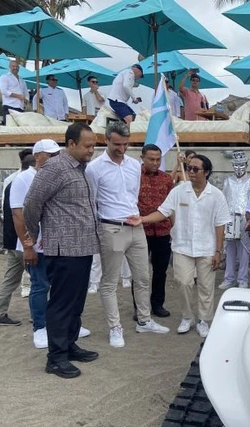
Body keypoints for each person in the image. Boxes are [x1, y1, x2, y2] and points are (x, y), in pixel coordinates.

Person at [23, 122, 100, 379]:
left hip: (84, 246)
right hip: (64, 248)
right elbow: (31, 203)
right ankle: (55, 358)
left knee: (76, 302)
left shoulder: (82, 169)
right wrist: (33, 235)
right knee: (61, 304)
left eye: (94, 146)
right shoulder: (54, 168)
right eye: (87, 146)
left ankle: (69, 345)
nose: (91, 150)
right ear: (71, 144)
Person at [86, 122, 169, 348]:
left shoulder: (133, 166)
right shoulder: (94, 168)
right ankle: (115, 327)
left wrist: (138, 219)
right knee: (109, 282)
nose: (121, 149)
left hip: (136, 226)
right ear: (106, 140)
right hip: (110, 227)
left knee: (142, 277)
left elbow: (132, 195)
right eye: (117, 144)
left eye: (125, 144)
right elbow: (92, 201)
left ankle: (144, 320)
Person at [128, 155, 230, 338]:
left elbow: (220, 224)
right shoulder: (179, 191)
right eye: (189, 168)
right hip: (182, 246)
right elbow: (163, 212)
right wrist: (142, 219)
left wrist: (218, 251)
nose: (191, 172)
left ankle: (204, 320)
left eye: (195, 169)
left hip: (207, 248)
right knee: (183, 282)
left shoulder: (217, 195)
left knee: (206, 287)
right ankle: (187, 317)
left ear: (206, 172)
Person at [13, 139, 90, 349]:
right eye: (50, 155)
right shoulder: (23, 179)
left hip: (57, 243)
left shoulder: (58, 173)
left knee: (61, 289)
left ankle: (64, 329)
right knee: (40, 286)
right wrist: (28, 245)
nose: (54, 158)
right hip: (36, 243)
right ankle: (40, 327)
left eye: (57, 154)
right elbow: (19, 214)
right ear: (37, 155)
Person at [0, 153, 35, 327]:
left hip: (12, 240)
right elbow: (19, 215)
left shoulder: (10, 184)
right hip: (22, 241)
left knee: (11, 279)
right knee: (39, 279)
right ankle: (38, 314)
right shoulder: (25, 184)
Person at [136, 144, 173, 317]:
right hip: (140, 231)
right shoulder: (134, 176)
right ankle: (140, 307)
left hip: (163, 231)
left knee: (160, 271)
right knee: (140, 273)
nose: (155, 163)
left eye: (158, 159)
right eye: (151, 159)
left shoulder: (166, 179)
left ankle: (157, 304)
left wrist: (174, 228)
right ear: (142, 158)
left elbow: (171, 206)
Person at [219, 151, 250, 290]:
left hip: (244, 219)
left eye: (241, 164)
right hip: (230, 219)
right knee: (230, 251)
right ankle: (229, 278)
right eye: (236, 165)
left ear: (246, 165)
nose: (239, 168)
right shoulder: (228, 181)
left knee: (244, 251)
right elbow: (223, 199)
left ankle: (242, 279)